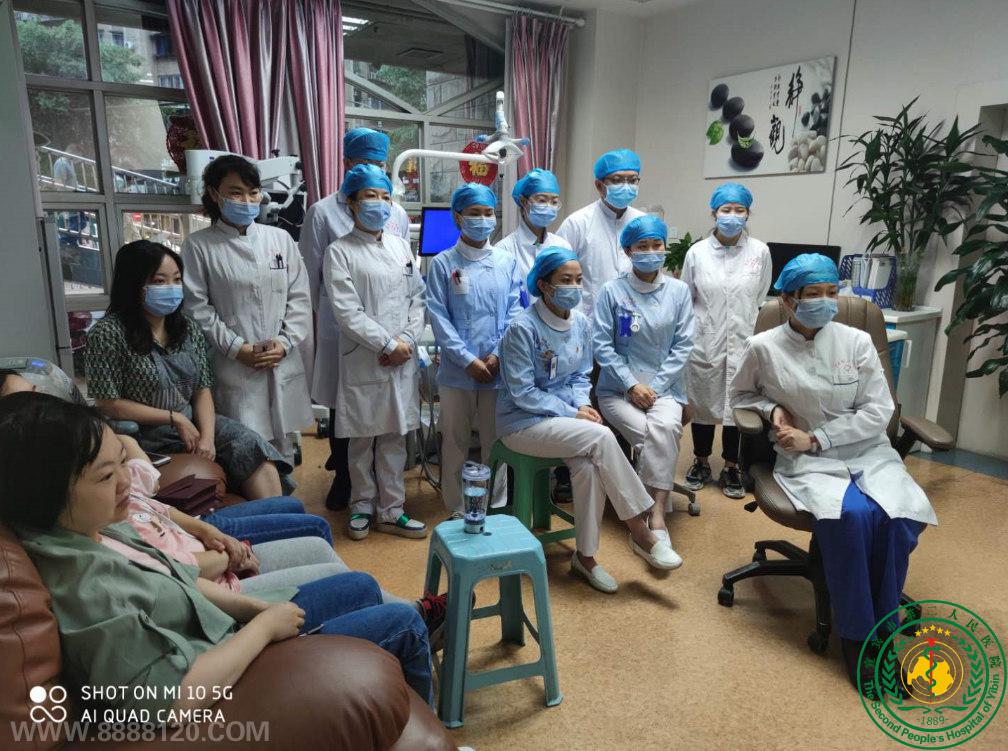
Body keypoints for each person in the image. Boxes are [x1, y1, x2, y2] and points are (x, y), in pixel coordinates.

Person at [0, 393, 433, 710]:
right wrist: (261, 629)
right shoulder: (91, 590)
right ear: (46, 492)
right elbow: (170, 700)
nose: (127, 483)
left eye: (121, 466)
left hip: (226, 631)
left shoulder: (92, 529)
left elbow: (177, 580)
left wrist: (254, 608)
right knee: (404, 624)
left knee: (358, 585)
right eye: (105, 476)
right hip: (233, 673)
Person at [729, 253, 936, 687]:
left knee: (897, 519)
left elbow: (878, 410)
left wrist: (818, 437)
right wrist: (772, 410)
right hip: (807, 462)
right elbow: (741, 396)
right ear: (788, 300)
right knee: (850, 516)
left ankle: (885, 637)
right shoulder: (763, 347)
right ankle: (858, 641)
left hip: (866, 450)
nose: (825, 301)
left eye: (830, 292)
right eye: (813, 294)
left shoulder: (856, 342)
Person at [496, 247, 682, 594]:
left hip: (566, 421)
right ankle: (641, 531)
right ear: (544, 285)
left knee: (588, 466)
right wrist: (574, 413)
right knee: (601, 437)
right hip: (522, 422)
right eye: (565, 280)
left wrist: (582, 404)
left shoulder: (580, 322)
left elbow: (581, 376)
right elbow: (523, 393)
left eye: (578, 280)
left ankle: (586, 557)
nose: (574, 287)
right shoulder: (522, 328)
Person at [84, 240, 292, 499]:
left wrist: (207, 437)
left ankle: (276, 514)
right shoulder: (107, 334)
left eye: (177, 280)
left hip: (192, 423)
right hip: (143, 435)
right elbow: (108, 403)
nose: (171, 288)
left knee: (249, 445)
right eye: (159, 281)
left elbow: (202, 389)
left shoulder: (187, 328)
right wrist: (174, 418)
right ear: (134, 284)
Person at [300, 127, 411, 511]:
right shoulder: (322, 213)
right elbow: (311, 275)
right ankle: (345, 480)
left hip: (394, 329)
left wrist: (400, 336)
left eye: (379, 163)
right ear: (346, 163)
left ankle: (387, 494)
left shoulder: (397, 213)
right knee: (344, 408)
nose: (373, 170)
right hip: (343, 327)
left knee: (389, 417)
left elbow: (406, 275)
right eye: (363, 162)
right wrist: (348, 322)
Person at [182, 155, 312, 466]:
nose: (247, 200)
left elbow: (300, 297)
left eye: (253, 192)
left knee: (283, 446)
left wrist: (284, 343)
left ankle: (284, 496)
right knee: (246, 452)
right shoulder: (198, 246)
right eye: (235, 192)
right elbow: (197, 308)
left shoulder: (280, 239)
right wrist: (238, 349)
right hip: (235, 366)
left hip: (281, 359)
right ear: (214, 194)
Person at [323, 164, 427, 541]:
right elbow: (347, 311)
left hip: (401, 357)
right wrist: (387, 345)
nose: (380, 204)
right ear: (351, 203)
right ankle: (362, 505)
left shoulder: (401, 246)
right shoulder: (339, 251)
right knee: (362, 439)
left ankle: (392, 509)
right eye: (370, 196)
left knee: (395, 438)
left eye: (385, 197)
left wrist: (407, 342)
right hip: (365, 357)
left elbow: (418, 298)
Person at [594, 216, 694, 552]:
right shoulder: (611, 292)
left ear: (665, 247)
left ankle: (656, 515)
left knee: (664, 427)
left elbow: (683, 345)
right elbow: (601, 345)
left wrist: (657, 387)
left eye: (656, 245)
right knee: (662, 435)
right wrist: (630, 385)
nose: (651, 251)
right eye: (642, 246)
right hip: (617, 390)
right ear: (628, 251)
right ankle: (652, 513)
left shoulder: (679, 291)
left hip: (665, 388)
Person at [427, 183, 521, 516]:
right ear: (458, 217)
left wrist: (496, 355)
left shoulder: (507, 262)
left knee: (497, 442)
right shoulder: (443, 264)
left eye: (487, 213)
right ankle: (456, 507)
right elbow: (438, 316)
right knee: (455, 443)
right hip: (457, 372)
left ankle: (495, 506)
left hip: (497, 369)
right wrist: (467, 360)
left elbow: (515, 312)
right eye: (474, 213)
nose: (482, 219)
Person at [681, 182, 771, 499]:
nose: (732, 215)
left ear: (748, 214)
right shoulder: (697, 253)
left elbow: (760, 295)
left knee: (737, 405)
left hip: (744, 340)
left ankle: (732, 466)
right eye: (726, 209)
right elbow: (686, 296)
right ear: (714, 213)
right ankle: (701, 461)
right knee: (703, 403)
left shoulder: (759, 252)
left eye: (739, 210)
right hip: (705, 340)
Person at [556, 149, 645, 317]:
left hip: (635, 320)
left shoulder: (643, 223)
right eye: (617, 180)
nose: (626, 186)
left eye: (633, 180)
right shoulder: (577, 224)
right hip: (589, 321)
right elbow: (557, 274)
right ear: (599, 185)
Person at [496, 168, 571, 305]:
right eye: (542, 200)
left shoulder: (562, 246)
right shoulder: (504, 250)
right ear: (524, 202)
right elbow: (499, 301)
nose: (549, 207)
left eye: (554, 202)